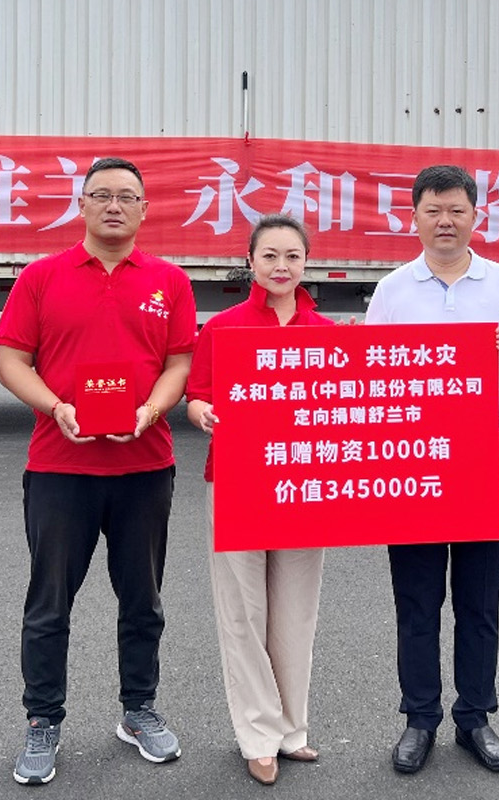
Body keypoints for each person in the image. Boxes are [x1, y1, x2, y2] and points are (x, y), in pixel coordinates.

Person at [0, 157, 197, 785]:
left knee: (142, 601)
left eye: (127, 197)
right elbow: (12, 360)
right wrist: (55, 406)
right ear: (81, 205)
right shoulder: (41, 277)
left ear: (144, 210)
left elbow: (179, 364)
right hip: (60, 467)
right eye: (101, 195)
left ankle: (139, 710)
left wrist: (150, 411)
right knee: (49, 604)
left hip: (145, 465)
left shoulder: (169, 281)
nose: (114, 205)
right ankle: (42, 720)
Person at [364, 164, 499, 775]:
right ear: (414, 217)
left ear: (476, 216)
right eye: (433, 211)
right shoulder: (393, 290)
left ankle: (475, 716)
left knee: (479, 596)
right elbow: (368, 377)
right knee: (416, 597)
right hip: (412, 455)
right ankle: (420, 717)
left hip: (484, 450)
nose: (445, 221)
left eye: (456, 211)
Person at [184, 214, 334, 786]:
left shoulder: (325, 334)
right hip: (238, 481)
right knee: (243, 613)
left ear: (306, 263)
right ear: (250, 262)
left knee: (296, 610)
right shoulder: (223, 328)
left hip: (304, 485)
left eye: (292, 256)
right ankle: (257, 734)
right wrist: (203, 413)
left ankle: (292, 729)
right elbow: (197, 396)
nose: (281, 266)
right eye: (269, 255)